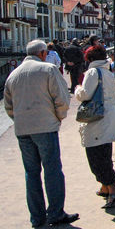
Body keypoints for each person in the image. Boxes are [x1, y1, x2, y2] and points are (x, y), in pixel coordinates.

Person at [3, 39, 79, 228]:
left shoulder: (13, 75)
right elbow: (61, 99)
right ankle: (55, 213)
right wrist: (58, 118)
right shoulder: (48, 70)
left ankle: (37, 218)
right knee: (52, 171)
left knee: (31, 173)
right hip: (45, 128)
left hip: (22, 131)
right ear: (43, 53)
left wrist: (20, 121)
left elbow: (8, 106)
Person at [75, 45, 115, 209]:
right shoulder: (108, 72)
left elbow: (85, 94)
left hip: (99, 119)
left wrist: (77, 90)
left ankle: (113, 188)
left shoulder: (93, 72)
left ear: (89, 59)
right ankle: (105, 187)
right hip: (110, 116)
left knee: (96, 156)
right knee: (104, 153)